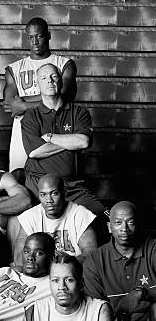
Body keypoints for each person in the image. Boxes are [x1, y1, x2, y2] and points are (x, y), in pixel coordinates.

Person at [21, 63, 105, 216]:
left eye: (54, 76)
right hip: (39, 185)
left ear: (60, 81)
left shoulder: (79, 112)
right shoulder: (31, 116)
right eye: (44, 78)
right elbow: (34, 152)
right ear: (37, 84)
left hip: (71, 186)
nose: (50, 81)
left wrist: (50, 138)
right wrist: (71, 143)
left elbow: (83, 142)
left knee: (101, 215)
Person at [3, 18, 77, 179]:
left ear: (49, 35)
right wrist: (45, 99)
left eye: (39, 36)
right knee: (19, 176)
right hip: (23, 130)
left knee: (54, 178)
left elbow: (63, 94)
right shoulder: (14, 68)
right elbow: (9, 104)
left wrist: (24, 105)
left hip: (54, 126)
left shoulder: (64, 64)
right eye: (30, 37)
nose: (35, 41)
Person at [83, 201, 156, 321]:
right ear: (109, 227)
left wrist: (140, 293)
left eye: (131, 222)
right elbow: (94, 311)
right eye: (118, 223)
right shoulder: (94, 260)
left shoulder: (153, 249)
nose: (124, 229)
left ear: (138, 225)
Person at [12, 174, 97, 267]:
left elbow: (91, 254)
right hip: (39, 272)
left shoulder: (80, 214)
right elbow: (19, 260)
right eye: (43, 194)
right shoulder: (30, 217)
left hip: (71, 272)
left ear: (64, 193)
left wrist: (63, 263)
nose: (49, 200)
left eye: (54, 193)